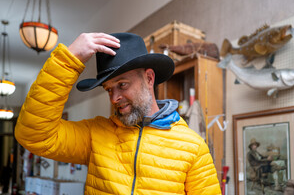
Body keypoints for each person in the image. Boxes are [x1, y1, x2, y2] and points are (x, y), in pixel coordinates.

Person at [15, 32, 221, 195]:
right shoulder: (95, 134)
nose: (114, 98)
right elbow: (33, 135)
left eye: (122, 84)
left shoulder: (193, 147)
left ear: (149, 78)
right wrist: (68, 60)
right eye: (108, 89)